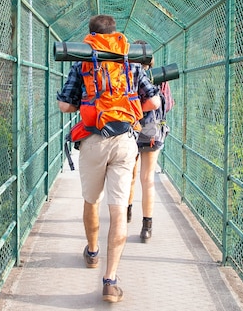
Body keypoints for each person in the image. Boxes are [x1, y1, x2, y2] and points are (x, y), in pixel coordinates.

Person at [57, 15, 160, 303]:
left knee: (92, 200)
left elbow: (66, 104)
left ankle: (92, 252)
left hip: (92, 139)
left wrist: (84, 101)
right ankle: (110, 280)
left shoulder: (82, 63)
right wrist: (126, 108)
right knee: (118, 209)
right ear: (116, 34)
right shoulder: (130, 62)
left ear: (89, 36)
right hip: (125, 140)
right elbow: (153, 102)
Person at [127, 43, 174, 243]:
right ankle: (147, 227)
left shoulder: (128, 75)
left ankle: (126, 213)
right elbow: (169, 105)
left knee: (129, 174)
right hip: (153, 132)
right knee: (148, 179)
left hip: (130, 130)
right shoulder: (159, 78)